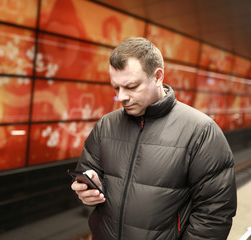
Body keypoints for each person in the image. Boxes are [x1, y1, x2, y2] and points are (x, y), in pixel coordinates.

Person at [71, 37, 237, 240]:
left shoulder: (201, 132)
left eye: (131, 86)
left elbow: (215, 213)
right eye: (116, 88)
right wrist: (89, 190)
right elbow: (89, 172)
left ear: (158, 76)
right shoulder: (106, 125)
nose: (121, 97)